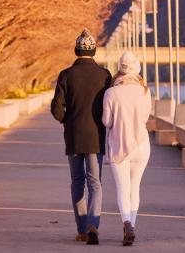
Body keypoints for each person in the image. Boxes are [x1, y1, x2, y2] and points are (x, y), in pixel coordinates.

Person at [51, 28, 112, 245]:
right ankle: (93, 224)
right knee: (95, 182)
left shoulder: (66, 75)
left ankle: (82, 229)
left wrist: (67, 120)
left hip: (74, 137)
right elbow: (109, 107)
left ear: (76, 50)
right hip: (96, 137)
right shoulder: (104, 76)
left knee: (77, 181)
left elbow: (57, 110)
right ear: (94, 51)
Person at [102, 51, 151, 246]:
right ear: (137, 70)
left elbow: (106, 121)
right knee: (135, 187)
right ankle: (132, 226)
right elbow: (146, 118)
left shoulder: (110, 93)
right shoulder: (145, 91)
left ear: (120, 70)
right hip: (141, 145)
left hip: (118, 146)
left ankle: (126, 223)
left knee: (122, 188)